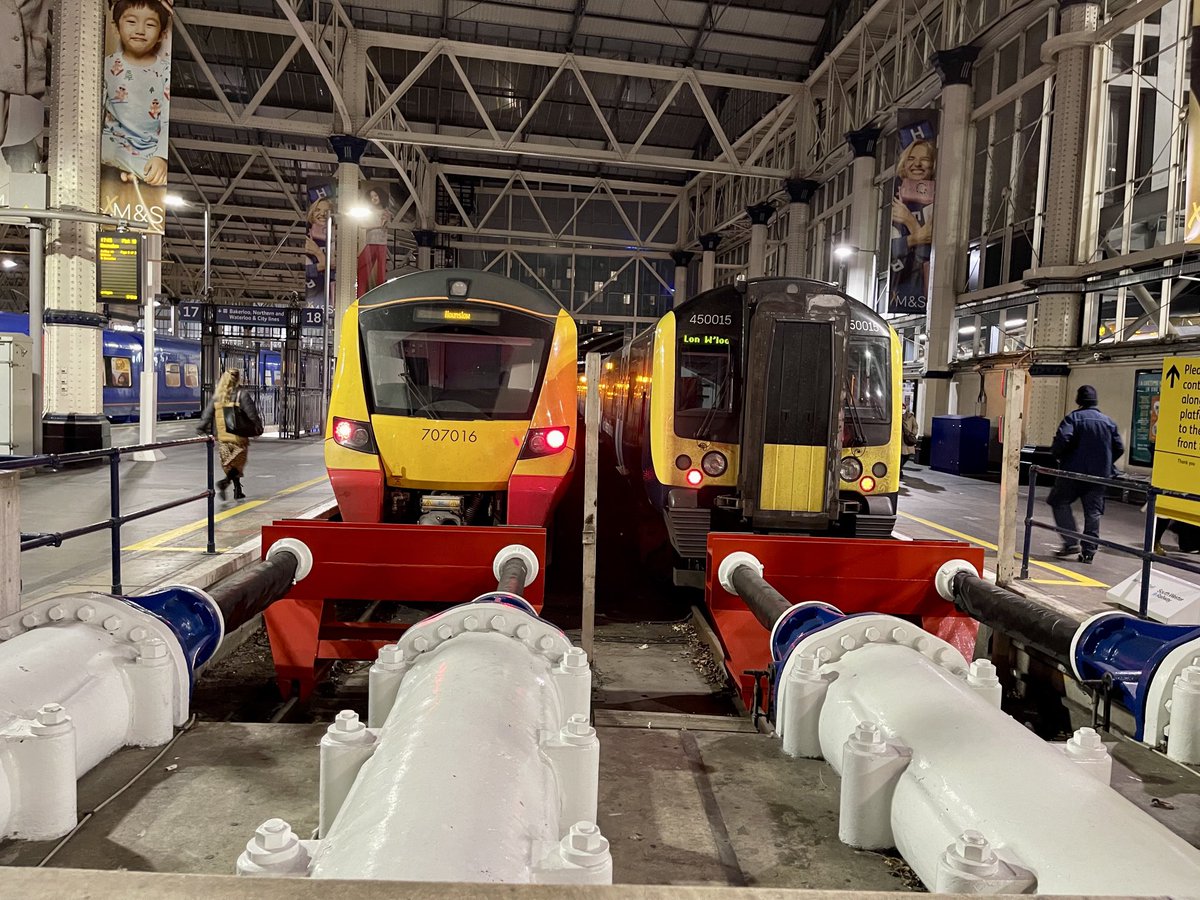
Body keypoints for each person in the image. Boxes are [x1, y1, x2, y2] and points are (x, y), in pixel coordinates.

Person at [1048, 385, 1124, 563]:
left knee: (1058, 501)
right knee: (1093, 512)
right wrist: (1105, 462)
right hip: (1099, 475)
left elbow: (1063, 439)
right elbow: (1119, 447)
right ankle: (1089, 552)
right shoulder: (1108, 422)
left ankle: (1070, 541)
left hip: (1073, 473)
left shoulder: (1073, 418)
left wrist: (1059, 456)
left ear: (1078, 400)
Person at [100, 0, 173, 187]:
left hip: (149, 148)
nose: (140, 30)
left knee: (159, 175)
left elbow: (166, 119)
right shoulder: (106, 66)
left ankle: (128, 171)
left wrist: (161, 156)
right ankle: (130, 171)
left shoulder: (166, 71)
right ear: (116, 29)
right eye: (131, 22)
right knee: (103, 151)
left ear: (161, 35)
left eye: (149, 25)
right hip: (115, 141)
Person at [197, 368, 262, 501]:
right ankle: (225, 483)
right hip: (239, 437)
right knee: (238, 463)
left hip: (222, 437)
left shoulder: (218, 396)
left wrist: (201, 428)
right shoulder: (241, 395)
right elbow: (251, 414)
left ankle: (237, 490)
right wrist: (258, 428)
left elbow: (207, 415)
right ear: (237, 379)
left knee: (230, 464)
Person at [901, 401, 918, 473]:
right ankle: (899, 470)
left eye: (903, 408)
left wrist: (913, 433)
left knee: (907, 456)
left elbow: (915, 426)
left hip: (908, 439)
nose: (902, 409)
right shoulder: (897, 416)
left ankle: (900, 468)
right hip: (900, 439)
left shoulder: (911, 417)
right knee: (900, 455)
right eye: (901, 408)